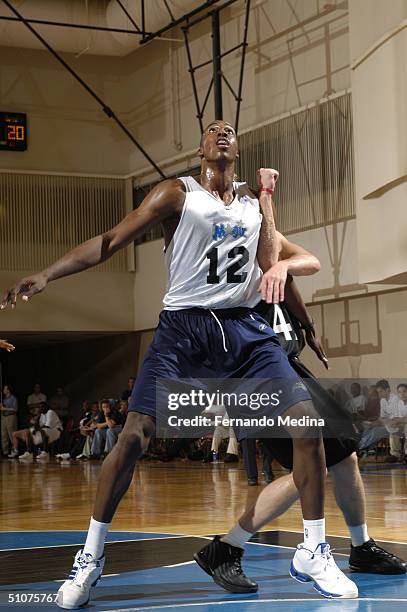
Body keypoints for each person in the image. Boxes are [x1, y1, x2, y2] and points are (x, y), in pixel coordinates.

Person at [1, 119, 357, 606]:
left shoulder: (256, 208)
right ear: (201, 149)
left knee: (306, 425)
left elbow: (279, 271)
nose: (223, 132)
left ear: (237, 147)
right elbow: (109, 241)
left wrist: (307, 324)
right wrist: (48, 274)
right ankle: (90, 557)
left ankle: (315, 549)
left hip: (246, 333)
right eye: (213, 129)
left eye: (230, 128)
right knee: (131, 438)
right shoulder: (176, 193)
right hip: (183, 332)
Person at [194, 276, 406, 593]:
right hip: (255, 376)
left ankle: (361, 547)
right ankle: (226, 547)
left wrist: (307, 325)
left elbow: (295, 265)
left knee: (345, 456)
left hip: (291, 367)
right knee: (309, 469)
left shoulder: (271, 261)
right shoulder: (223, 264)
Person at [377, 379, 404, 462]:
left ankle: (396, 454)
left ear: (387, 390)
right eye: (378, 392)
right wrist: (384, 420)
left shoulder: (396, 399)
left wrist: (388, 421)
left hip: (400, 421)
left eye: (381, 392)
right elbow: (382, 416)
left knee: (392, 427)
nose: (379, 394)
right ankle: (395, 453)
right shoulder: (382, 401)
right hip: (390, 423)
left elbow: (398, 416)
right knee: (374, 428)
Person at [1, 384, 18, 456]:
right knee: (4, 435)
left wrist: (5, 408)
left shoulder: (13, 398)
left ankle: (14, 451)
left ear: (8, 390)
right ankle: (5, 452)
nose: (3, 390)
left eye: (5, 389)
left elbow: (15, 409)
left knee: (12, 434)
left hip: (11, 417)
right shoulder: (3, 399)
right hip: (4, 417)